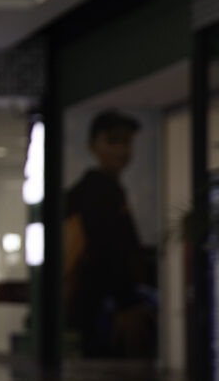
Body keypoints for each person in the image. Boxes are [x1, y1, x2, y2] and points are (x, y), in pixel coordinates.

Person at [63, 109, 152, 358]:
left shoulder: (104, 190)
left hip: (101, 303)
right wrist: (127, 299)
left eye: (126, 142)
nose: (121, 151)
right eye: (113, 141)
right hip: (104, 304)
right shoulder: (97, 192)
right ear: (94, 146)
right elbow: (107, 250)